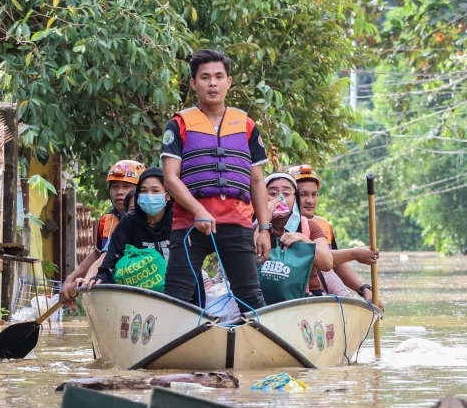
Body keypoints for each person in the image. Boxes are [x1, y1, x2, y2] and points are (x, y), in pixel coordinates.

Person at [161, 49, 271, 311]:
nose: (213, 83)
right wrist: (198, 210)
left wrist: (264, 228)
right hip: (190, 223)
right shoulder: (178, 125)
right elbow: (170, 178)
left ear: (228, 82)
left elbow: (257, 181)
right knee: (176, 297)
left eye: (219, 77)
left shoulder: (246, 125)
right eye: (205, 77)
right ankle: (166, 346)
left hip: (237, 221)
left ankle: (260, 347)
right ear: (193, 83)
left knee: (251, 297)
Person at [287, 164, 380, 306]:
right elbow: (324, 260)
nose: (310, 201)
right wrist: (355, 254)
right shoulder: (281, 224)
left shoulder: (322, 224)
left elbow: (335, 264)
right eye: (303, 195)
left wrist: (363, 288)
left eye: (314, 194)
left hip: (322, 292)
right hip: (293, 293)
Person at [59, 160, 143, 302]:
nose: (120, 192)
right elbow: (100, 253)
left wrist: (86, 280)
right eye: (115, 186)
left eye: (127, 186)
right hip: (112, 288)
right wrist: (71, 279)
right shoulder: (108, 220)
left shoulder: (150, 219)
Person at [76, 167, 172, 288]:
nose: (149, 195)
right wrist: (100, 277)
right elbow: (109, 258)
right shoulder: (128, 221)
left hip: (176, 290)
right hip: (138, 292)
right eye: (143, 191)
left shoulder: (178, 220)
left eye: (155, 191)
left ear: (168, 195)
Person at [264, 172, 334, 294]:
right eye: (273, 193)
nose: (280, 199)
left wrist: (304, 240)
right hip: (262, 300)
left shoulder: (310, 226)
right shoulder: (251, 227)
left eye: (286, 194)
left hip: (303, 300)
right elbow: (249, 259)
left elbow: (327, 263)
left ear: (295, 198)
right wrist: (264, 223)